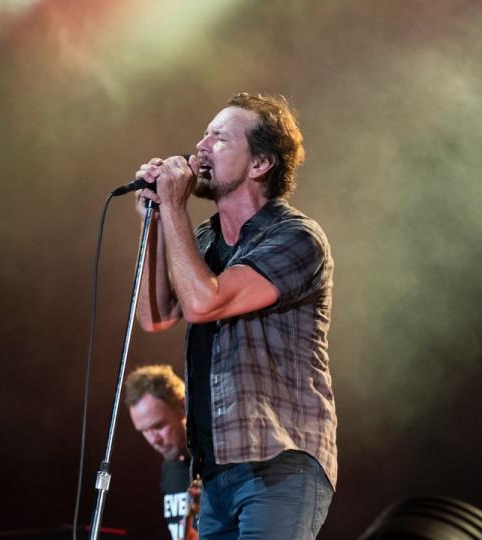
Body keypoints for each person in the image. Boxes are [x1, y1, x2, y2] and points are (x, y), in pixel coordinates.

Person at [133, 93, 336, 539]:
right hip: (216, 473)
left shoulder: (296, 238)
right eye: (204, 134)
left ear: (260, 164)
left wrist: (174, 207)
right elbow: (155, 316)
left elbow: (206, 303)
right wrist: (154, 221)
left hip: (278, 465)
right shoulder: (203, 239)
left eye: (219, 138)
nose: (200, 146)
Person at [125, 364, 200, 540]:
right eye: (144, 431)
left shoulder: (217, 462)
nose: (154, 440)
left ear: (183, 406)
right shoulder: (168, 470)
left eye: (158, 426)